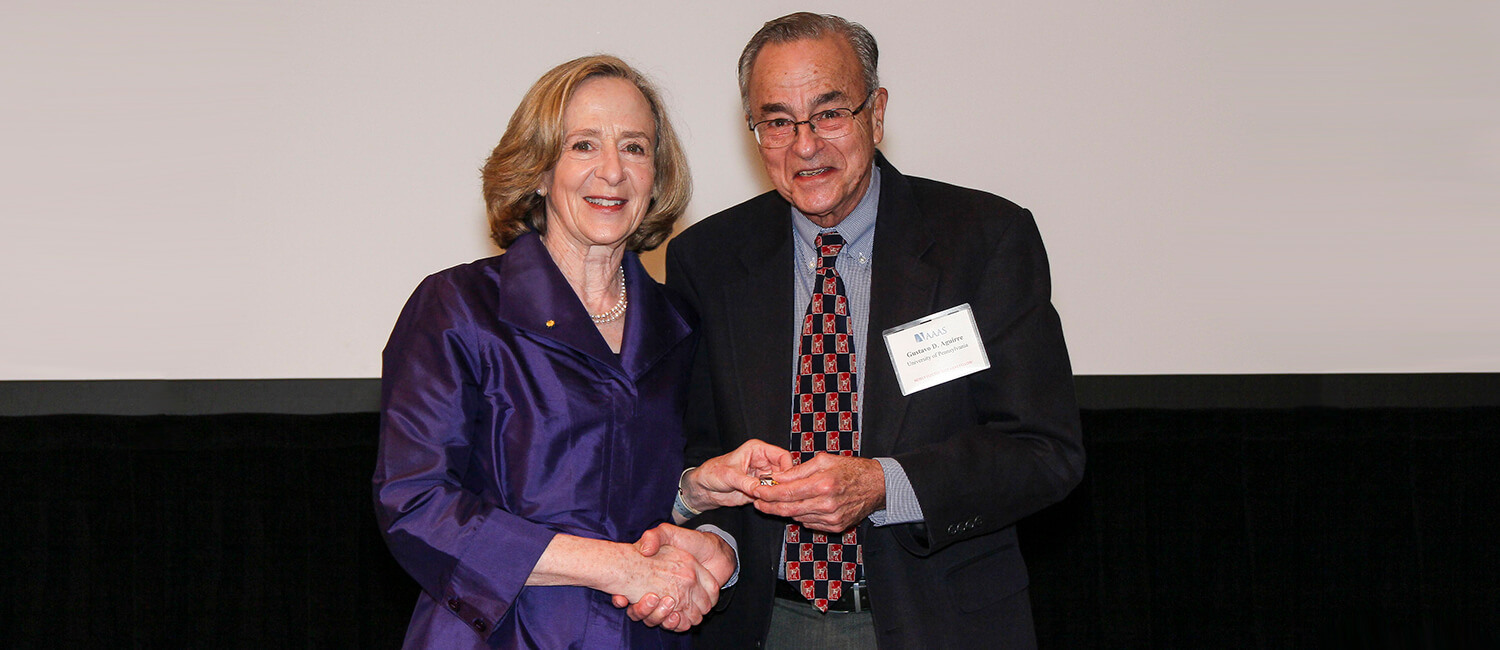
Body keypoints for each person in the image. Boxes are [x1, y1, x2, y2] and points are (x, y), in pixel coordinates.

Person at [659, 13, 1086, 649]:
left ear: (876, 113)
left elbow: (1045, 452)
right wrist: (712, 532)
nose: (805, 146)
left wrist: (885, 485)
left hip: (937, 621)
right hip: (762, 623)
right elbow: (700, 452)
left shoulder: (984, 240)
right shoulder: (708, 260)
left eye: (829, 113)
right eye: (777, 121)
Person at [372, 55, 776, 649]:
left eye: (635, 148)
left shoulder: (681, 324)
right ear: (538, 169)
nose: (612, 172)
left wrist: (692, 493)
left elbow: (610, 494)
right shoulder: (458, 306)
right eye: (584, 145)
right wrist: (622, 568)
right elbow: (416, 504)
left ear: (657, 176)